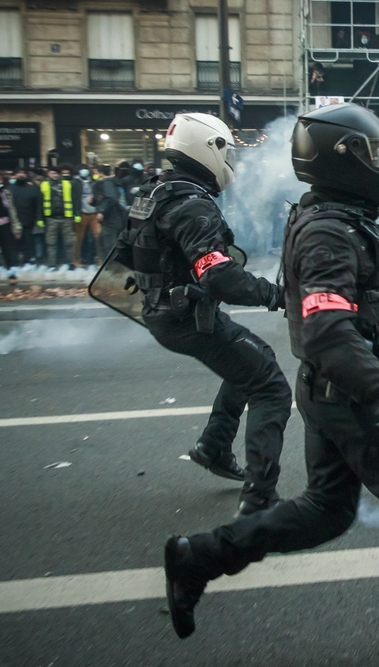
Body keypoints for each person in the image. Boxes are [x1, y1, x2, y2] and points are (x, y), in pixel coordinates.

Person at [162, 103, 379, 662]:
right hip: (347, 392)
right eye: (375, 153)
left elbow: (354, 298)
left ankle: (199, 558)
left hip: (331, 389)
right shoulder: (329, 228)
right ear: (346, 159)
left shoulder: (336, 217)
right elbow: (329, 329)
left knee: (327, 509)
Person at [111, 112, 291, 515]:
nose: (229, 160)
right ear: (208, 148)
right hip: (186, 316)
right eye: (225, 149)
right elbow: (219, 276)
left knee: (252, 363)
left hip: (163, 311)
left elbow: (123, 254)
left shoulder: (155, 193)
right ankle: (260, 495)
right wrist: (277, 295)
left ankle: (214, 445)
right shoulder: (192, 204)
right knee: (271, 386)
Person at [40, 164, 82, 268]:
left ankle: (70, 263)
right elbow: (39, 203)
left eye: (56, 173)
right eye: (52, 173)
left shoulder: (67, 184)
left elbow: (75, 199)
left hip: (66, 218)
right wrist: (40, 218)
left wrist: (76, 213)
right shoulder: (44, 185)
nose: (54, 175)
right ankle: (52, 264)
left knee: (69, 242)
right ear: (48, 174)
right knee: (51, 242)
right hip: (51, 218)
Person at [9, 168, 42, 264]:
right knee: (13, 242)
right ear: (15, 175)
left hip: (28, 219)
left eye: (23, 173)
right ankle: (14, 261)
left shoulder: (32, 189)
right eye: (19, 172)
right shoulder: (9, 189)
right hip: (12, 220)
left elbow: (38, 205)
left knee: (28, 242)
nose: (21, 175)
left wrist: (38, 218)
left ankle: (27, 260)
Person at [75, 164, 102, 267]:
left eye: (86, 169)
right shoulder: (75, 182)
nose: (84, 171)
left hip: (94, 213)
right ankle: (77, 260)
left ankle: (100, 259)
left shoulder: (94, 182)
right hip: (81, 213)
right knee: (79, 239)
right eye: (82, 169)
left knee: (98, 236)